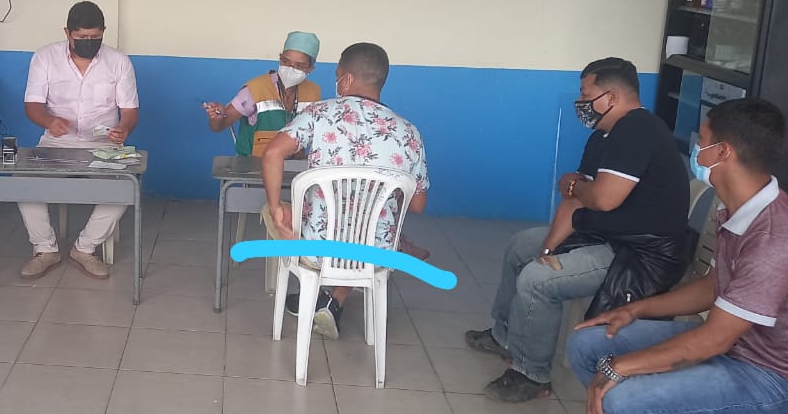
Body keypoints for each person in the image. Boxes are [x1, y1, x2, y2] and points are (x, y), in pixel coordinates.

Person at [465, 57, 691, 403]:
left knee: (537, 280)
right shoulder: (603, 135)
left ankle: (531, 374)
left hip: (638, 253)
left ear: (611, 97)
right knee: (522, 246)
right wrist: (548, 248)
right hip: (604, 235)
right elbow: (576, 200)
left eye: (586, 94)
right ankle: (505, 335)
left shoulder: (638, 130)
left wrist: (574, 187)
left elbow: (602, 198)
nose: (580, 102)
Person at [567, 98, 788, 414]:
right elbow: (713, 286)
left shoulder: (773, 236)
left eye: (702, 140)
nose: (696, 148)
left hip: (767, 374)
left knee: (624, 398)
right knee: (586, 344)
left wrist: (620, 368)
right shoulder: (733, 208)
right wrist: (634, 310)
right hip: (732, 346)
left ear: (723, 152)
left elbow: (715, 339)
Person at [260, 42, 430, 339]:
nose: (336, 82)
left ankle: (316, 294)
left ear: (347, 79)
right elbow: (417, 205)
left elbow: (273, 153)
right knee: (375, 226)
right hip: (375, 252)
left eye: (337, 75)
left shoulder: (319, 114)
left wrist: (276, 208)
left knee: (274, 210)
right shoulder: (409, 133)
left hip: (317, 248)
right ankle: (335, 300)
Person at [17, 1, 139, 280]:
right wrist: (49, 121)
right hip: (56, 143)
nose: (89, 42)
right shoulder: (45, 58)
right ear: (67, 33)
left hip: (104, 145)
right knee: (22, 183)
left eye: (95, 37)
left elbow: (131, 112)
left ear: (103, 32)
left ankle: (84, 249)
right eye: (82, 37)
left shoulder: (119, 62)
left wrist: (123, 128)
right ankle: (45, 249)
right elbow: (32, 106)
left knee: (125, 187)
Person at [201, 31, 323, 157]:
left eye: (299, 65)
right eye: (286, 61)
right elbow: (219, 126)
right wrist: (217, 117)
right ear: (280, 58)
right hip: (253, 164)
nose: (290, 68)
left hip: (294, 165)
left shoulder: (313, 93)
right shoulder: (255, 89)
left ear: (310, 69)